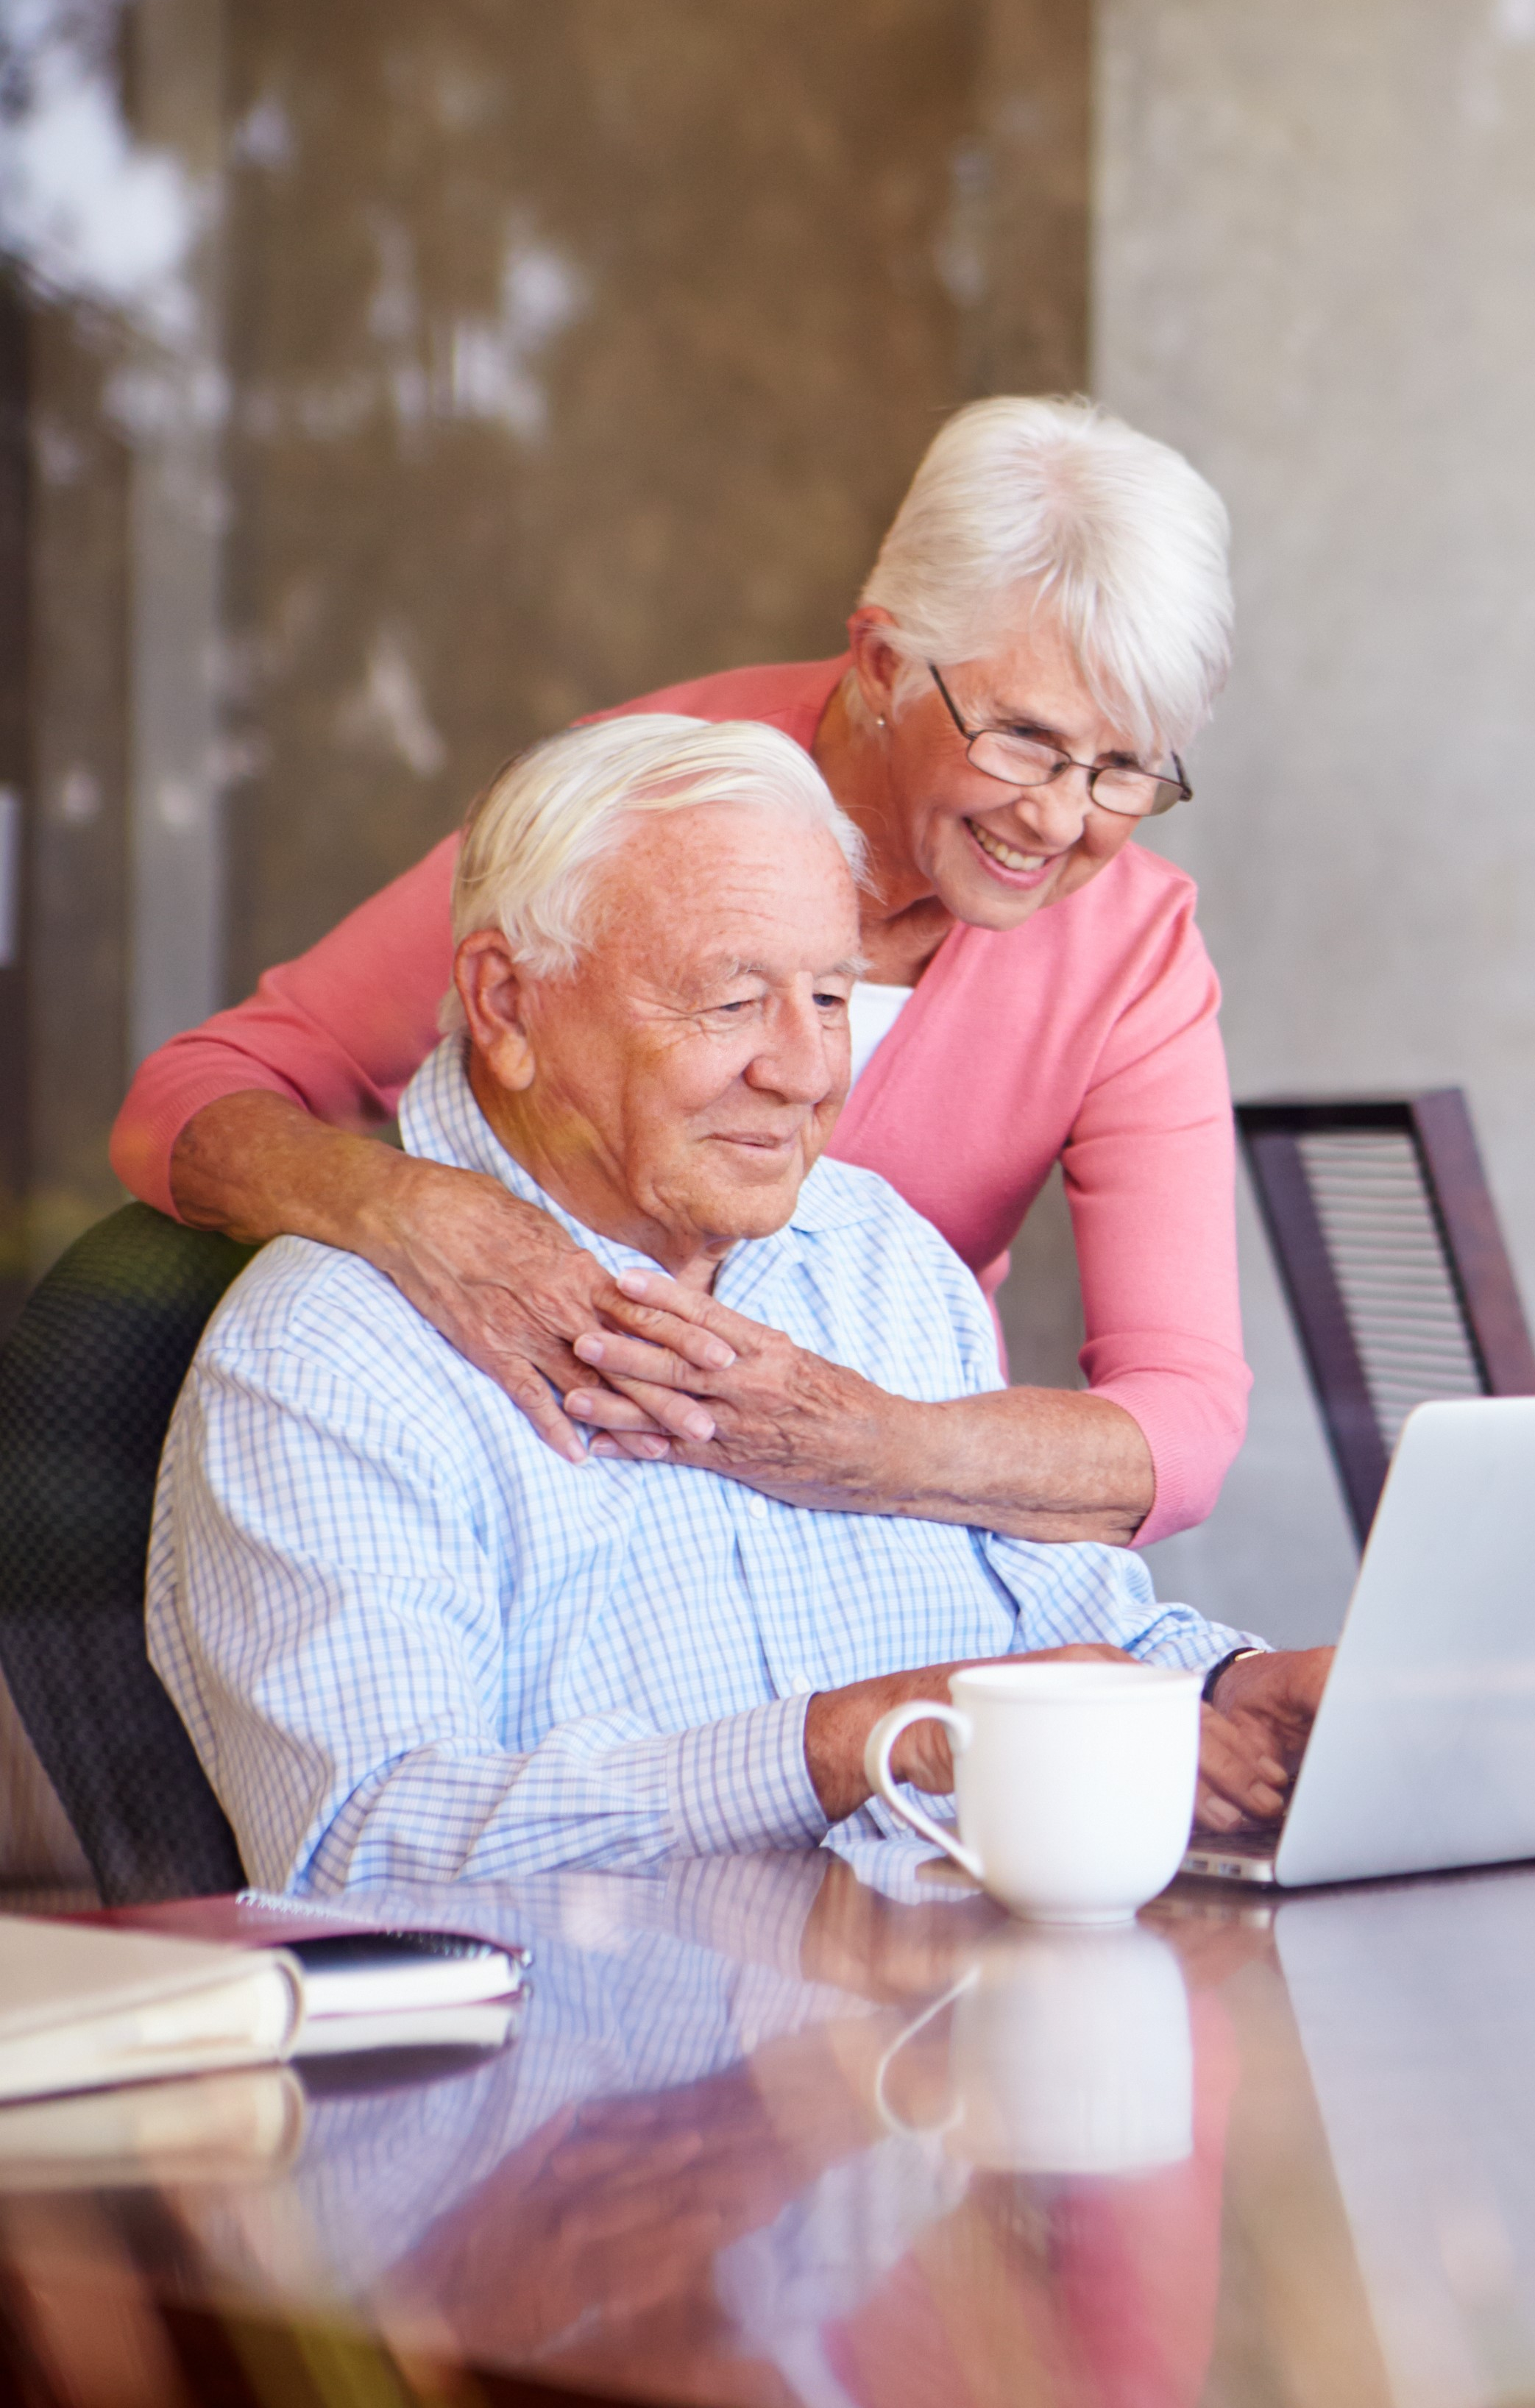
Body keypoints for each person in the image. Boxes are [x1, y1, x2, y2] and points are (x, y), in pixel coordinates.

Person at [147, 716, 1327, 1893]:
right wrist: (835, 1747)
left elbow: (1058, 1625)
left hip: (933, 2044)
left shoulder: (882, 1257)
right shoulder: (330, 1347)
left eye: (828, 999)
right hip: (598, 2068)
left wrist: (1229, 1693)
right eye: (729, 1004)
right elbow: (365, 1845)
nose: (805, 1073)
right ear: (507, 1007)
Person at [111, 396, 1240, 1551]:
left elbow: (1185, 1418)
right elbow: (192, 1096)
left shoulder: (1131, 946)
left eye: (1124, 766)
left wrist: (870, 1445)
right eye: (1023, 739)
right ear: (884, 659)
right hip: (554, 1510)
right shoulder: (637, 810)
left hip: (875, 1549)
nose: (1060, 818)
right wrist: (416, 1215)